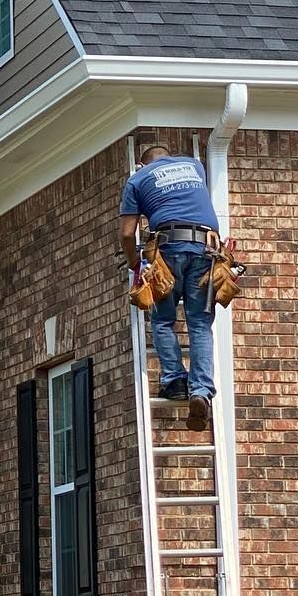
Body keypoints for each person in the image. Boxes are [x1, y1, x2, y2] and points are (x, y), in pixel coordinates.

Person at [119, 144, 222, 431]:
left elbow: (128, 233)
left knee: (163, 319)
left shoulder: (138, 179)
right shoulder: (194, 166)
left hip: (167, 249)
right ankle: (201, 391)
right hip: (206, 249)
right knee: (200, 323)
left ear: (142, 164)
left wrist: (135, 265)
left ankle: (175, 380)